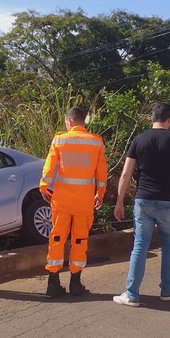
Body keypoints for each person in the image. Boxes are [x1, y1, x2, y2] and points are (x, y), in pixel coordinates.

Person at [112, 102, 170, 307]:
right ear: (169, 119)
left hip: (144, 200)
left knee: (139, 246)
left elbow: (125, 174)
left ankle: (131, 295)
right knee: (169, 247)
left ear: (152, 119)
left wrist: (119, 202)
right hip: (168, 202)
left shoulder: (139, 139)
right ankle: (167, 291)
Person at [40, 107, 107, 297]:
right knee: (79, 240)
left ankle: (52, 284)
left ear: (69, 121)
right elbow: (101, 173)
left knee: (57, 238)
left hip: (61, 202)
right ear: (82, 121)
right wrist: (100, 194)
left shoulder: (60, 139)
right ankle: (75, 284)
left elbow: (49, 166)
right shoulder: (96, 142)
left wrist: (44, 186)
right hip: (84, 203)